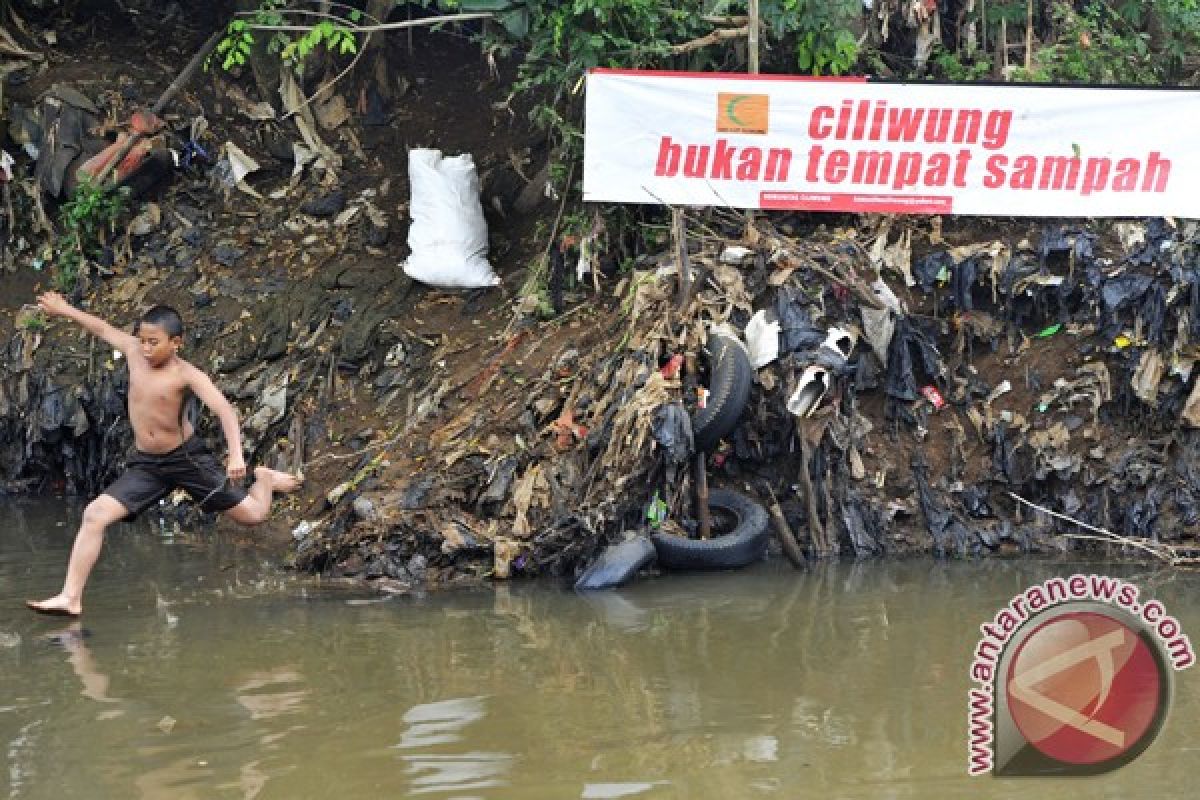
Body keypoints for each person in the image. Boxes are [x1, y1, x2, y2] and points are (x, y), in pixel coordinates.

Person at [25, 291, 301, 617]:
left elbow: (224, 410)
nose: (145, 348)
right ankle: (70, 597)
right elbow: (101, 329)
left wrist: (236, 456)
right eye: (142, 340)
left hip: (186, 460)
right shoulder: (132, 352)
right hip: (147, 465)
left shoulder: (187, 375)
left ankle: (266, 479)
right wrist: (64, 309)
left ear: (176, 342)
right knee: (94, 515)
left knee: (254, 516)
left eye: (153, 342)